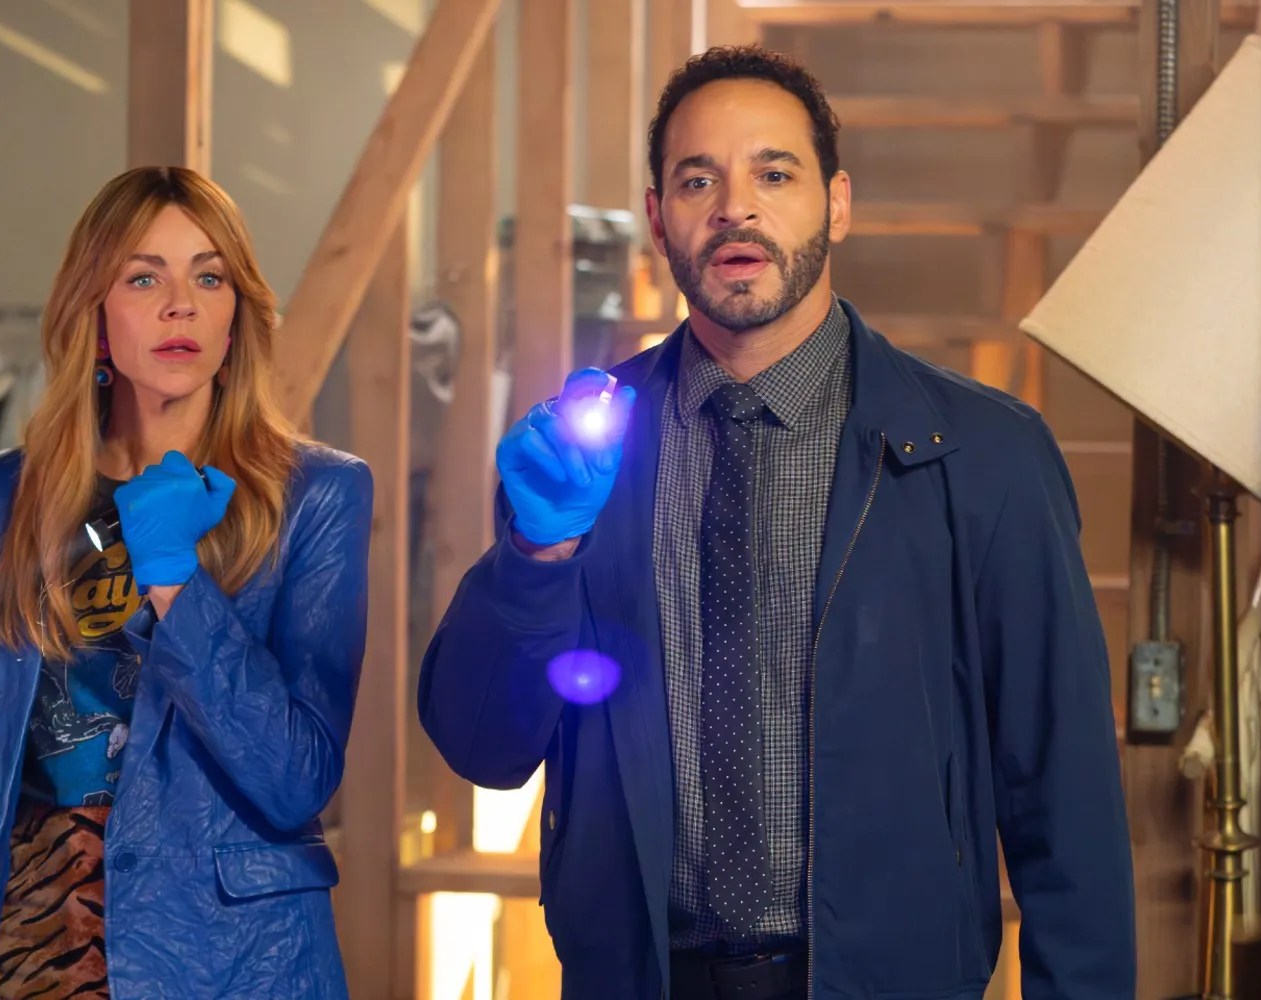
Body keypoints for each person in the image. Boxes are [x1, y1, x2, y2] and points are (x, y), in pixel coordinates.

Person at [419, 45, 1134, 1000]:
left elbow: (1064, 793)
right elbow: (484, 746)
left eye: (774, 174)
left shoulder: (984, 454)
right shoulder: (583, 450)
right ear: (657, 219)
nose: (735, 209)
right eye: (698, 180)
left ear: (836, 204)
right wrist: (535, 556)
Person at [0, 166, 371, 1000]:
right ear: (95, 316)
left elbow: (298, 778)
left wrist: (178, 583)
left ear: (235, 318)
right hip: (35, 945)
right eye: (144, 278)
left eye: (208, 278)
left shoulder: (316, 495)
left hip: (230, 960)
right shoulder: (15, 491)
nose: (180, 305)